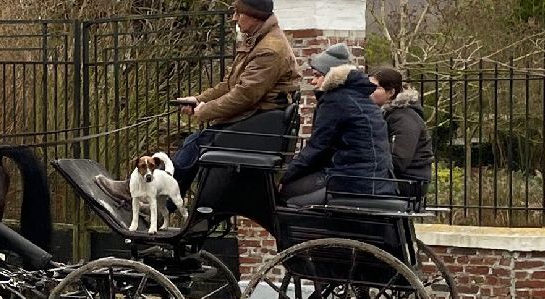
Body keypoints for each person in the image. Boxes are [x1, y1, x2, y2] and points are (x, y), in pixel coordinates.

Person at [95, 0, 301, 202]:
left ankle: (152, 197)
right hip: (256, 120)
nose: (234, 18)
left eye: (239, 13)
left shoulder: (269, 50)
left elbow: (244, 95)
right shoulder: (258, 41)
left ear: (254, 16)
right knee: (195, 142)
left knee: (196, 144)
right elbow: (230, 85)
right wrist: (198, 100)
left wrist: (206, 110)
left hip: (259, 126)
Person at [280, 44, 395, 206]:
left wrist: (284, 176)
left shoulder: (336, 99)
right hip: (375, 180)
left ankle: (311, 231)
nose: (313, 81)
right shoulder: (359, 97)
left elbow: (317, 147)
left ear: (330, 76)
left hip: (353, 181)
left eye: (317, 75)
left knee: (285, 195)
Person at [371, 67, 432, 193]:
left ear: (391, 92)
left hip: (408, 182)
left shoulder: (403, 118)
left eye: (375, 88)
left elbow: (399, 161)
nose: (369, 92)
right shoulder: (388, 115)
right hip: (397, 179)